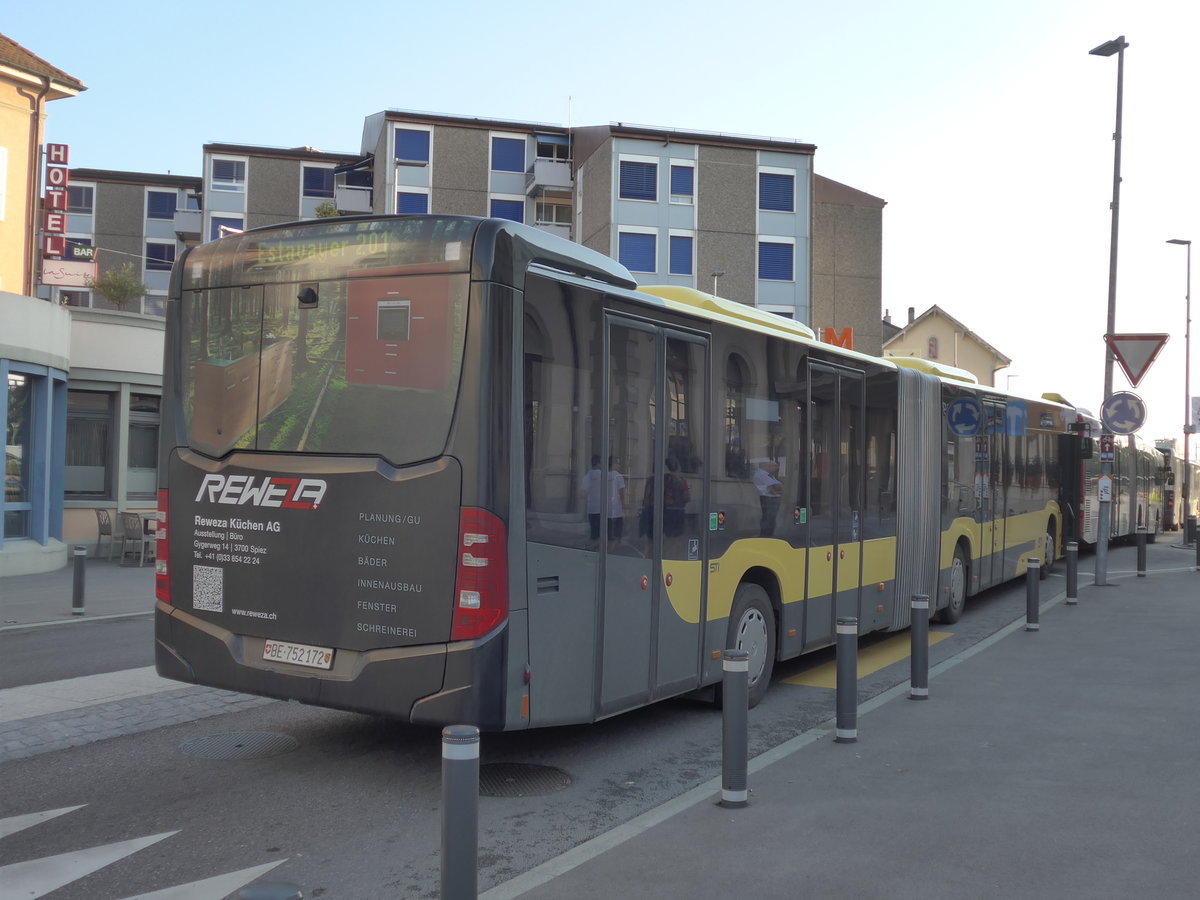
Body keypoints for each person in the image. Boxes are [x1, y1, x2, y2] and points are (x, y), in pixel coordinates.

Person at [581, 454, 626, 549]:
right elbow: (621, 493)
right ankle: (596, 553)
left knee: (595, 535)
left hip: (592, 509)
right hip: (608, 510)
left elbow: (582, 494)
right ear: (599, 463)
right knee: (611, 537)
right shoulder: (607, 475)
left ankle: (591, 551)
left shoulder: (588, 476)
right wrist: (623, 508)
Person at [753, 459, 782, 537]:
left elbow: (779, 486)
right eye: (774, 466)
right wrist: (776, 487)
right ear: (766, 466)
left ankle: (768, 536)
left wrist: (777, 487)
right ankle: (766, 536)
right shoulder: (761, 474)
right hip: (768, 499)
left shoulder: (769, 475)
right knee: (768, 519)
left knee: (771, 519)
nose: (776, 468)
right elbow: (777, 486)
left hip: (771, 498)